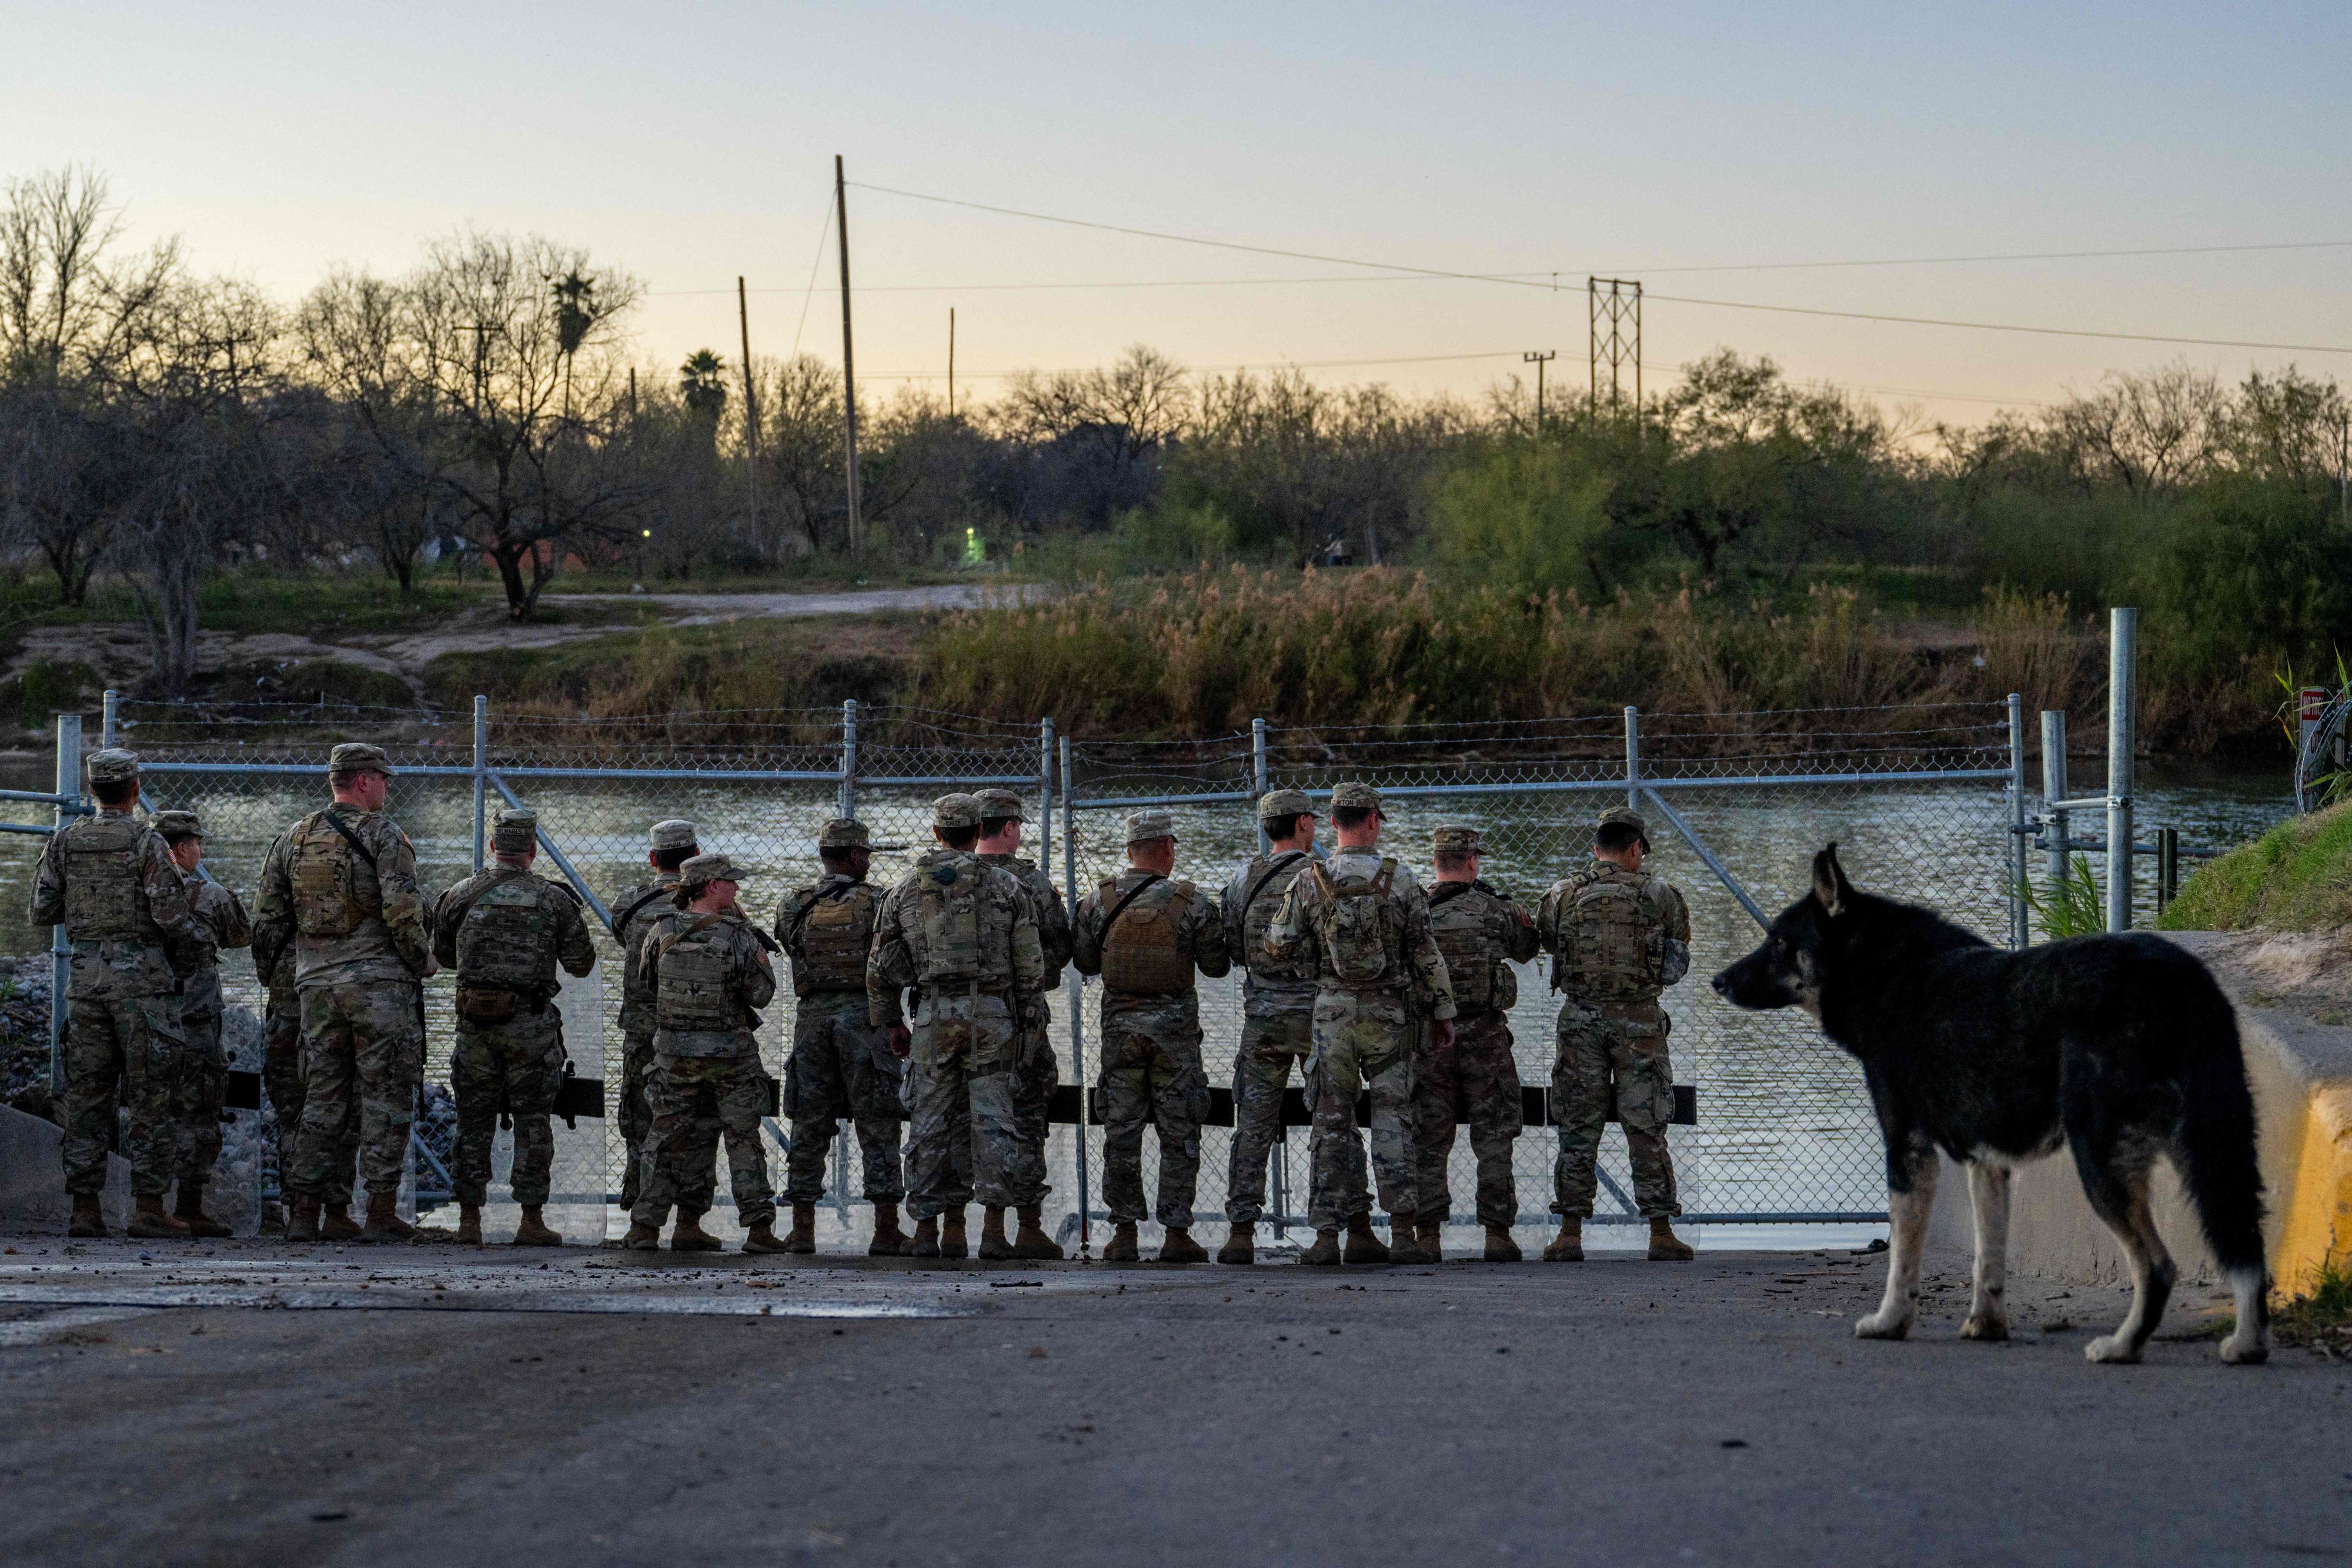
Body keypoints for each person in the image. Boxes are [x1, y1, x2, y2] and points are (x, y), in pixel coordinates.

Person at [1264, 781, 1456, 1266]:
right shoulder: (1403, 879)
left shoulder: (1311, 879)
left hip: (1332, 1018)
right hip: (1389, 1016)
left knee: (1331, 1124)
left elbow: (1278, 943)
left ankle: (1328, 1235)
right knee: (1395, 1119)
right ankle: (1404, 1234)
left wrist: (1314, 957)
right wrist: (1443, 1011)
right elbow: (1425, 952)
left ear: (1333, 822)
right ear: (1372, 820)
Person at [254, 741, 436, 1243]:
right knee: (386, 1096)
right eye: (384, 778)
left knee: (321, 1098)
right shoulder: (384, 834)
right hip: (377, 989)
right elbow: (403, 910)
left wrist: (284, 981)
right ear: (363, 781)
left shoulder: (293, 838)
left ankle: (303, 1213)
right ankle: (379, 1211)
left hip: (315, 988)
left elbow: (267, 922)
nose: (388, 787)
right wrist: (423, 960)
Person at [29, 748, 202, 1239]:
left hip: (85, 984)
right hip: (143, 988)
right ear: (135, 789)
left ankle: (86, 1208)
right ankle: (149, 1207)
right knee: (151, 1097)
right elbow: (171, 918)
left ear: (90, 790)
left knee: (87, 1096)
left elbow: (42, 910)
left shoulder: (65, 841)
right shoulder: (148, 843)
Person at [867, 794, 1045, 1260]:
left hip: (932, 1015)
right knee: (994, 1123)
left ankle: (928, 1231)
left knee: (928, 1125)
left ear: (936, 832)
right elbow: (1031, 969)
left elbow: (879, 968)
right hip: (991, 1015)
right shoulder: (1008, 887)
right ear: (978, 830)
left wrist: (891, 1021)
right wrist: (1028, 1024)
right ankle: (992, 1230)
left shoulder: (905, 889)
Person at [1071, 808, 1232, 1262]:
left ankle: (1123, 1232)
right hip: (1175, 1038)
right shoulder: (1192, 902)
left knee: (1121, 1129)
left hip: (1120, 1034)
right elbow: (1217, 965)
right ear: (1166, 848)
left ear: (1129, 851)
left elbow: (1084, 962)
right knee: (1179, 1130)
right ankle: (1177, 1232)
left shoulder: (1095, 901)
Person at [1535, 807, 1695, 1263]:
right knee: (1646, 1124)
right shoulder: (1661, 895)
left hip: (1580, 1021)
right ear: (1635, 848)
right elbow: (1677, 957)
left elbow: (1549, 942)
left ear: (1596, 850)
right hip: (1639, 1023)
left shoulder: (1562, 894)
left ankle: (1569, 1233)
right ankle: (1661, 1231)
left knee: (1577, 1126)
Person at [430, 808, 596, 1245]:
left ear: (493, 847)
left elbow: (444, 956)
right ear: (533, 850)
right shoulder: (553, 899)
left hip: (475, 1026)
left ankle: (468, 1220)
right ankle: (531, 1219)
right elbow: (582, 964)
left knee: (472, 1121)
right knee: (533, 1120)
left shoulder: (459, 895)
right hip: (530, 1027)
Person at [1217, 788, 1359, 1264]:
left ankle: (1240, 1232)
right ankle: (1336, 1232)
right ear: (1303, 824)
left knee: (1252, 1124)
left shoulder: (1242, 879)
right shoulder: (1321, 876)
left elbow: (1232, 946)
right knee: (1334, 1122)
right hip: (1318, 1014)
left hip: (1263, 1015)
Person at [624, 852, 787, 1253]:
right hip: (730, 1056)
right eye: (730, 882)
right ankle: (759, 1230)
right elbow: (762, 995)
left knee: (664, 1136)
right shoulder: (737, 935)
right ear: (713, 886)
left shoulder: (660, 931)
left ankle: (645, 1227)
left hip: (675, 1055)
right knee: (742, 1138)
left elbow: (648, 985)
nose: (737, 888)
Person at [774, 817, 907, 1257]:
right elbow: (890, 960)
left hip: (811, 1019)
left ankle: (802, 1230)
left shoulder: (793, 905)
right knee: (878, 1121)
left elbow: (793, 949)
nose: (868, 860)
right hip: (864, 1017)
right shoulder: (879, 902)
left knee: (809, 1124)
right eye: (865, 853)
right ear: (853, 856)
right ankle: (886, 1230)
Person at [1414, 824, 1539, 1262]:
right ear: (1472, 862)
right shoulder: (1494, 909)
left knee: (1429, 1137)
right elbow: (1527, 948)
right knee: (1495, 1134)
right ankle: (1498, 1234)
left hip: (1430, 1037)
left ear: (1435, 863)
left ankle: (1426, 1235)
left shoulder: (1416, 910)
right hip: (1485, 1036)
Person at [973, 785, 1071, 1261]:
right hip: (1023, 1017)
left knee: (960, 1117)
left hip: (962, 1018)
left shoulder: (952, 878)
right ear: (1009, 828)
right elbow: (1060, 948)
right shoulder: (1031, 884)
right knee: (1029, 1115)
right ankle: (1028, 1225)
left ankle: (954, 1227)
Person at [152, 810, 253, 1239]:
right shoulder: (209, 895)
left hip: (149, 1019)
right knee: (201, 1111)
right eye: (196, 843)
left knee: (150, 1110)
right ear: (179, 849)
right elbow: (242, 934)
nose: (201, 850)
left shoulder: (137, 895)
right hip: (195, 1023)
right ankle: (189, 1206)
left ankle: (147, 1205)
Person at [609, 820, 711, 1217]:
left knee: (639, 1118)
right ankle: (689, 1219)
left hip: (641, 1027)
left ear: (653, 858)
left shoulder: (629, 903)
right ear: (696, 855)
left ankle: (639, 1211)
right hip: (692, 1029)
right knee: (695, 1122)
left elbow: (624, 939)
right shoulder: (707, 901)